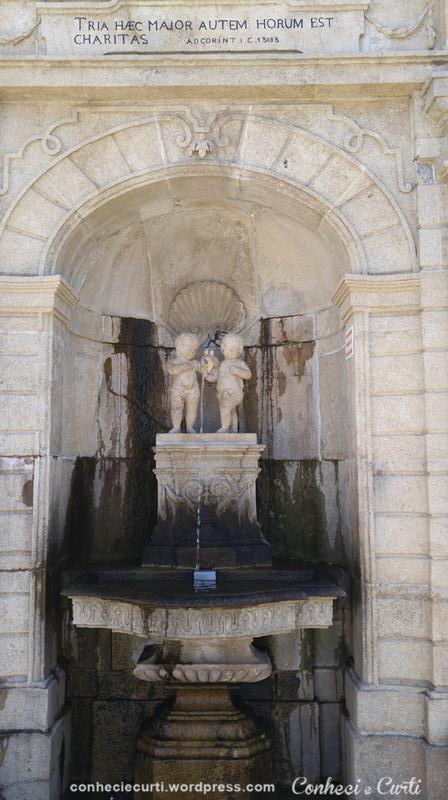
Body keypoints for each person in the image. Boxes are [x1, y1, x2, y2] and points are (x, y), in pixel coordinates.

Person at [203, 333, 251, 432]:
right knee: (231, 411)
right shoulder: (222, 364)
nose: (231, 351)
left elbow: (248, 374)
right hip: (222, 393)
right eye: (229, 348)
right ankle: (234, 429)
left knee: (225, 407)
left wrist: (237, 371)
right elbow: (215, 378)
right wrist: (207, 376)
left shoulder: (239, 363)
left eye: (234, 349)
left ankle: (225, 428)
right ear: (222, 349)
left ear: (239, 351)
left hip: (234, 392)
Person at [167, 332, 201, 433]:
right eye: (188, 348)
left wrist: (209, 362)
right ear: (179, 347)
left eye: (193, 349)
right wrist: (183, 367)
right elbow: (171, 370)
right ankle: (176, 427)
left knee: (192, 409)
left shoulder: (194, 363)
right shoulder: (174, 361)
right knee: (176, 408)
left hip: (193, 390)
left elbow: (204, 370)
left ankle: (190, 427)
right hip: (178, 389)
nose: (191, 351)